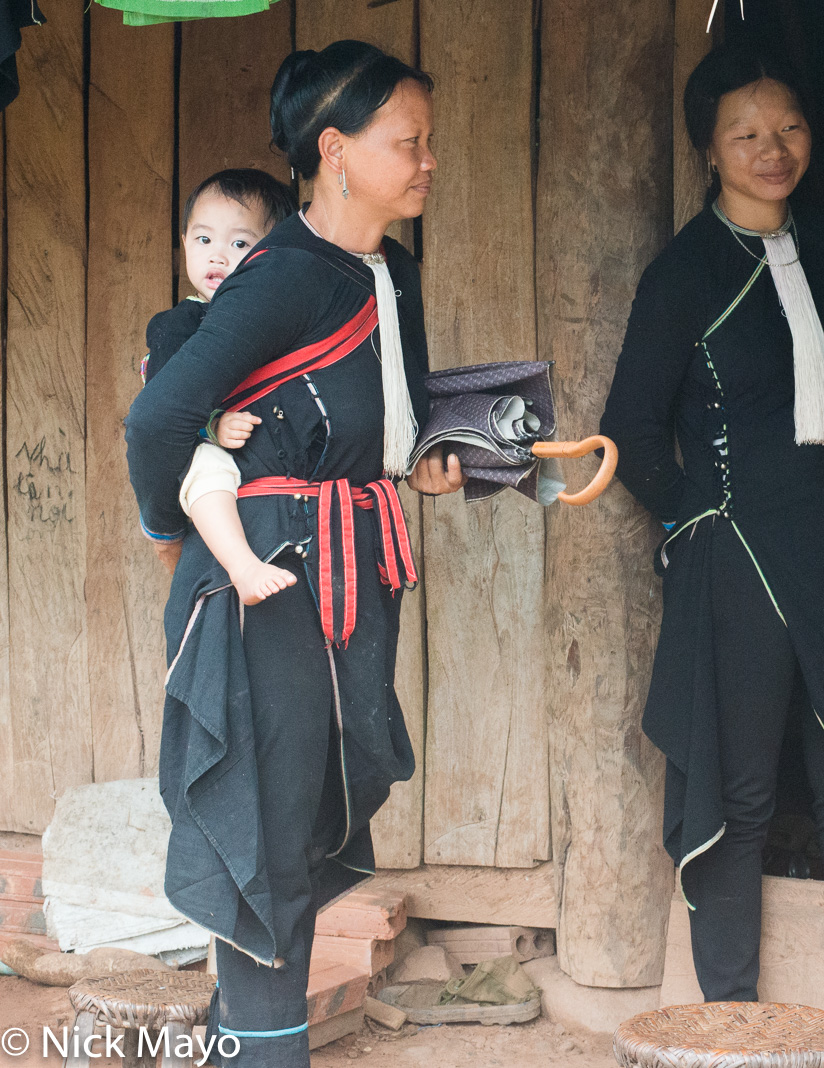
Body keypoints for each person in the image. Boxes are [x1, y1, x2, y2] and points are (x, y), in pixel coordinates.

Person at [125, 40, 464, 1067]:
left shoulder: (388, 271)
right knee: (265, 832)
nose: (427, 160)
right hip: (265, 583)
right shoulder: (282, 280)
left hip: (353, 575)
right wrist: (169, 533)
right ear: (337, 150)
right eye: (409, 141)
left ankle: (249, 1047)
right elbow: (159, 418)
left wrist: (434, 467)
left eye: (427, 142)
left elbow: (388, 429)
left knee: (307, 822)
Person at [599, 41, 824, 1003]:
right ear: (708, 149)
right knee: (741, 800)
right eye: (745, 133)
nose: (772, 148)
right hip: (739, 563)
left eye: (787, 127)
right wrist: (697, 524)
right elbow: (629, 428)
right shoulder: (685, 274)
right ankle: (731, 1024)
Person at [142, 168, 301, 605]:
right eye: (204, 239)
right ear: (184, 243)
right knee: (209, 469)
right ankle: (243, 567)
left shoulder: (276, 319)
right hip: (197, 447)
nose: (217, 256)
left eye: (239, 243)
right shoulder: (178, 325)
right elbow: (161, 405)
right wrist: (212, 426)